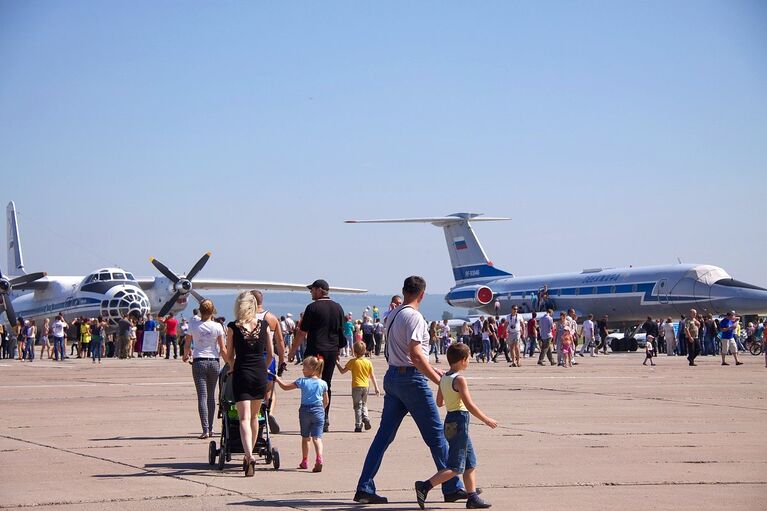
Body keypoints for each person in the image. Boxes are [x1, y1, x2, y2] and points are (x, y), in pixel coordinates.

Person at [354, 276, 469, 505]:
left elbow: (405, 353)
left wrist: (431, 370)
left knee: (383, 437)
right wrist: (439, 381)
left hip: (394, 376)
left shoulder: (393, 314)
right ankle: (451, 486)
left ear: (404, 291)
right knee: (437, 435)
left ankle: (364, 486)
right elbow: (416, 355)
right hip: (412, 380)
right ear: (422, 294)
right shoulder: (415, 317)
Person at [415, 343, 497, 509]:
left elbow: (439, 402)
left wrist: (450, 397)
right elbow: (469, 404)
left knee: (470, 463)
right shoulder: (459, 379)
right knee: (456, 467)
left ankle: (472, 497)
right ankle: (425, 486)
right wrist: (486, 419)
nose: (468, 362)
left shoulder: (445, 377)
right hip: (460, 420)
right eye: (468, 359)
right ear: (462, 360)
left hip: (450, 420)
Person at [223, 291, 274, 476]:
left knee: (243, 418)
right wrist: (264, 367)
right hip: (260, 373)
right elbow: (270, 353)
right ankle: (249, 456)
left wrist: (231, 366)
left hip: (242, 372)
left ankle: (248, 455)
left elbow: (230, 355)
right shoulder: (264, 325)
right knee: (254, 417)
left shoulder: (233, 327)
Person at [289, 279, 347, 433]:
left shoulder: (312, 308)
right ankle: (324, 417)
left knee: (312, 384)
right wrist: (338, 350)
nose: (310, 292)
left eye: (312, 290)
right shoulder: (338, 307)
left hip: (316, 350)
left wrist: (293, 350)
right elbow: (341, 332)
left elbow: (302, 332)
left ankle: (312, 417)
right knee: (326, 384)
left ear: (320, 290)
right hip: (331, 351)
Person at [273, 356, 328, 472]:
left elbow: (285, 387)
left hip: (305, 411)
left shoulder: (302, 381)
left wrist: (277, 379)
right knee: (317, 438)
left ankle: (304, 461)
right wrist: (321, 409)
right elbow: (326, 401)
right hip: (318, 411)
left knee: (305, 438)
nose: (302, 370)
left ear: (313, 368)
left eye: (304, 368)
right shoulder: (323, 383)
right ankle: (319, 458)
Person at [183, 299, 226, 439]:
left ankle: (205, 429)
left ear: (200, 310)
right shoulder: (218, 326)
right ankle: (212, 428)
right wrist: (229, 362)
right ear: (213, 311)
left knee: (202, 396)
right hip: (213, 361)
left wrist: (185, 355)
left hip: (199, 361)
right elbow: (222, 347)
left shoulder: (194, 325)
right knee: (211, 395)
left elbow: (188, 343)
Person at [335, 340, 381, 432]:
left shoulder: (353, 362)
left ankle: (358, 425)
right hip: (366, 386)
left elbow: (342, 371)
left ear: (354, 352)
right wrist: (376, 388)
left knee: (357, 406)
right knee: (364, 404)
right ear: (364, 351)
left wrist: (337, 363)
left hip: (356, 386)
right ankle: (366, 417)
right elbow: (372, 376)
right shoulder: (368, 362)